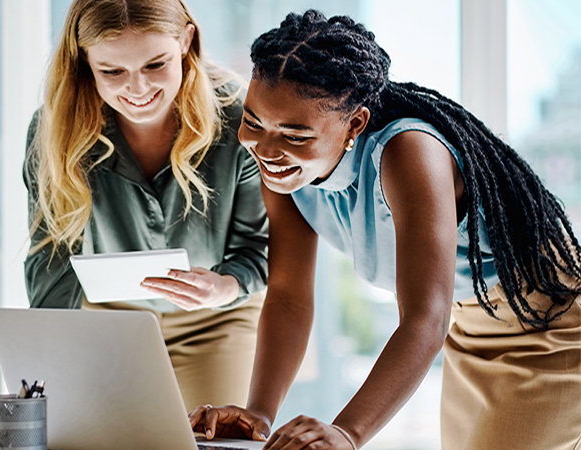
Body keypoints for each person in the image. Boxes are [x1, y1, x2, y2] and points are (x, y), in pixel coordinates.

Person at [190, 10, 581, 450]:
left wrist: (347, 433)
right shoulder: (282, 171)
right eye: (254, 122)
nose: (266, 148)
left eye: (294, 134)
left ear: (354, 124)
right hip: (468, 323)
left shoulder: (408, 152)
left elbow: (424, 318)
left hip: (548, 322)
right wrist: (258, 415)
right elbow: (288, 297)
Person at [0, 0, 269, 445]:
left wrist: (223, 286)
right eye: (112, 72)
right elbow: (53, 265)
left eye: (156, 63)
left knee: (209, 443)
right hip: (109, 320)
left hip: (217, 316)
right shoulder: (55, 129)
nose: (138, 87)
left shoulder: (238, 118)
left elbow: (259, 249)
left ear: (186, 41)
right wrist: (35, 397)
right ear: (85, 60)